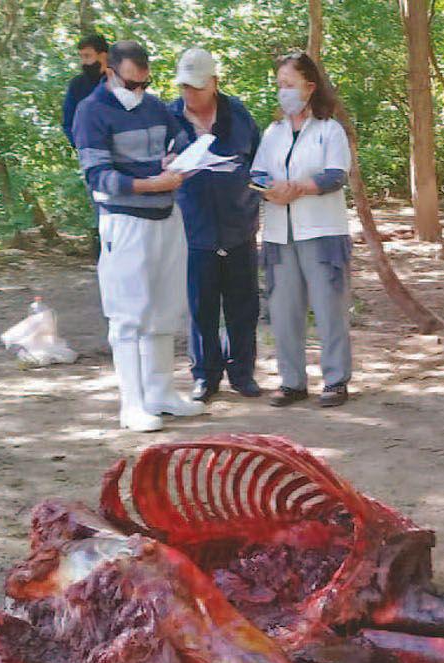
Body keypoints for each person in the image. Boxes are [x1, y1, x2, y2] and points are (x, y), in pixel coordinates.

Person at [73, 40, 204, 431]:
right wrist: (152, 183)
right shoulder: (90, 111)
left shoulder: (155, 107)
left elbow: (184, 144)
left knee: (165, 309)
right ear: (109, 72)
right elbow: (99, 176)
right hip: (125, 222)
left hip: (167, 218)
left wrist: (179, 164)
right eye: (131, 84)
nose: (138, 91)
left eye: (144, 83)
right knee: (129, 314)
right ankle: (132, 404)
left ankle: (161, 392)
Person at [251, 51, 355, 409]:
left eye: (289, 84)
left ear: (309, 87)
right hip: (280, 233)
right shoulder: (273, 132)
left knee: (329, 309)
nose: (283, 92)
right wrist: (269, 189)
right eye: (279, 85)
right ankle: (291, 381)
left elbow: (336, 174)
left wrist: (299, 187)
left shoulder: (329, 129)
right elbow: (257, 173)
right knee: (284, 310)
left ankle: (336, 380)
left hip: (322, 231)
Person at [170, 48, 264, 402]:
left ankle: (242, 372)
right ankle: (205, 376)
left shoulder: (238, 115)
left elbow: (258, 162)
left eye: (196, 86)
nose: (190, 94)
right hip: (192, 230)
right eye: (184, 87)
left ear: (214, 83)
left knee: (243, 306)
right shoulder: (169, 117)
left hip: (239, 224)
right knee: (201, 307)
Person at [62, 34, 109, 149]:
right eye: (81, 57)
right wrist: (81, 145)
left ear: (103, 56)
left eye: (87, 56)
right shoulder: (77, 84)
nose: (83, 62)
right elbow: (68, 121)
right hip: (90, 151)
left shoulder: (122, 80)